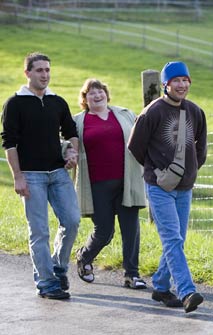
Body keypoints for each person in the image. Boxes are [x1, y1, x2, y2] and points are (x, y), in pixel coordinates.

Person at [128, 61, 207, 313]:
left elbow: (201, 148)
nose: (182, 85)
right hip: (160, 187)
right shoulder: (152, 112)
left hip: (185, 187)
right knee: (172, 239)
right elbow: (136, 147)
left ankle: (161, 286)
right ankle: (186, 291)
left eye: (185, 80)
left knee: (178, 240)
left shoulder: (195, 112)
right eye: (176, 81)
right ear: (166, 84)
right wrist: (156, 171)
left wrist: (190, 170)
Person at [1, 52, 80, 300]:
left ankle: (57, 266)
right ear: (28, 73)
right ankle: (46, 283)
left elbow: (71, 131)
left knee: (73, 220)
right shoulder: (14, 103)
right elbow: (9, 143)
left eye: (47, 70)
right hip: (31, 176)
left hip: (58, 173)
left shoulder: (58, 101)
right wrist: (18, 177)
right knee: (39, 232)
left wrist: (72, 152)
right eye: (39, 70)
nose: (45, 74)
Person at [73, 78, 147, 289]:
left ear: (106, 94)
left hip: (127, 181)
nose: (97, 95)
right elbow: (67, 145)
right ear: (85, 99)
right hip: (96, 184)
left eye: (100, 91)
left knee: (131, 229)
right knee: (104, 231)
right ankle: (84, 256)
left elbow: (142, 138)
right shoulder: (78, 121)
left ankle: (132, 275)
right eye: (91, 93)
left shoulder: (125, 114)